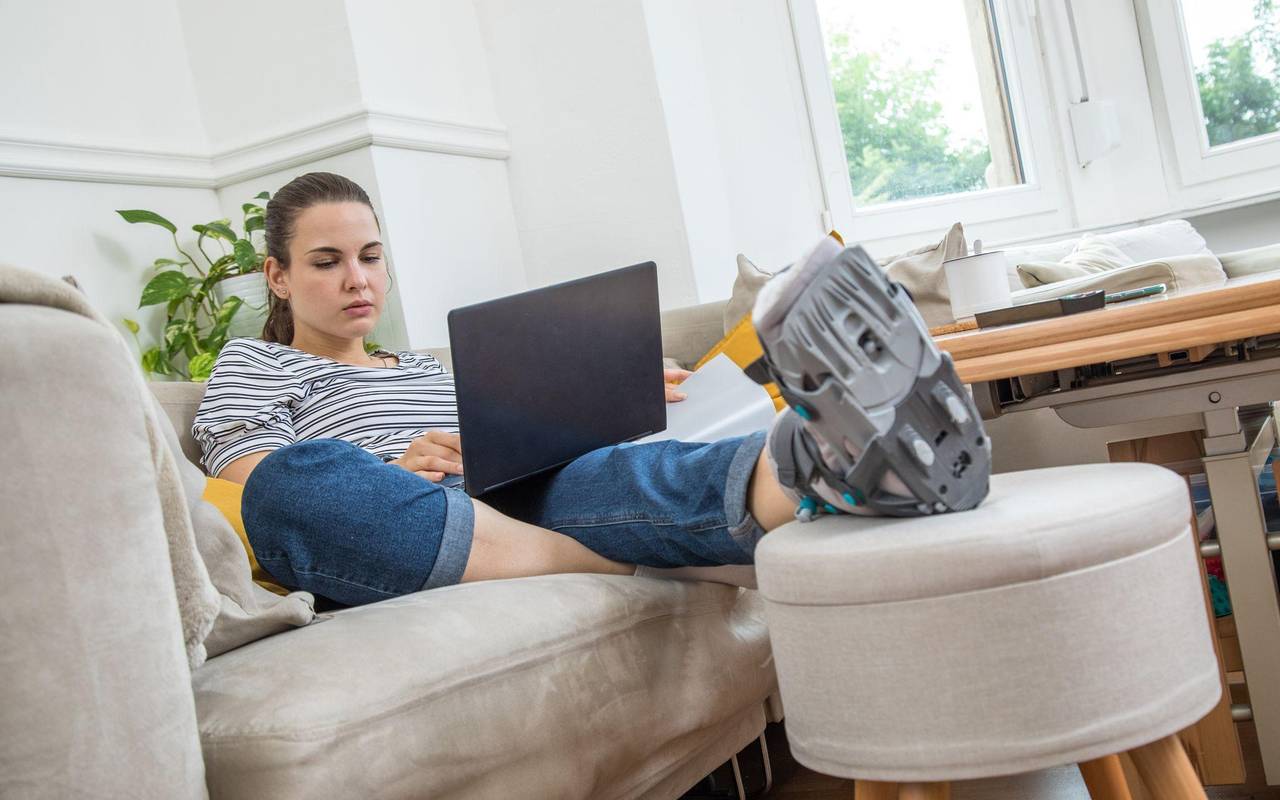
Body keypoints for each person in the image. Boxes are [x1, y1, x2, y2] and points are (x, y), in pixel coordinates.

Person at [193, 172, 989, 607]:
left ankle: (841, 460)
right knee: (298, 485)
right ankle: (609, 561)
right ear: (278, 276)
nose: (358, 280)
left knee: (608, 469)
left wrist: (602, 397)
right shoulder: (254, 363)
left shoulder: (428, 370)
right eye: (328, 262)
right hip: (398, 518)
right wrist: (394, 469)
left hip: (507, 494)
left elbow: (513, 445)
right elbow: (252, 488)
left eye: (370, 257)